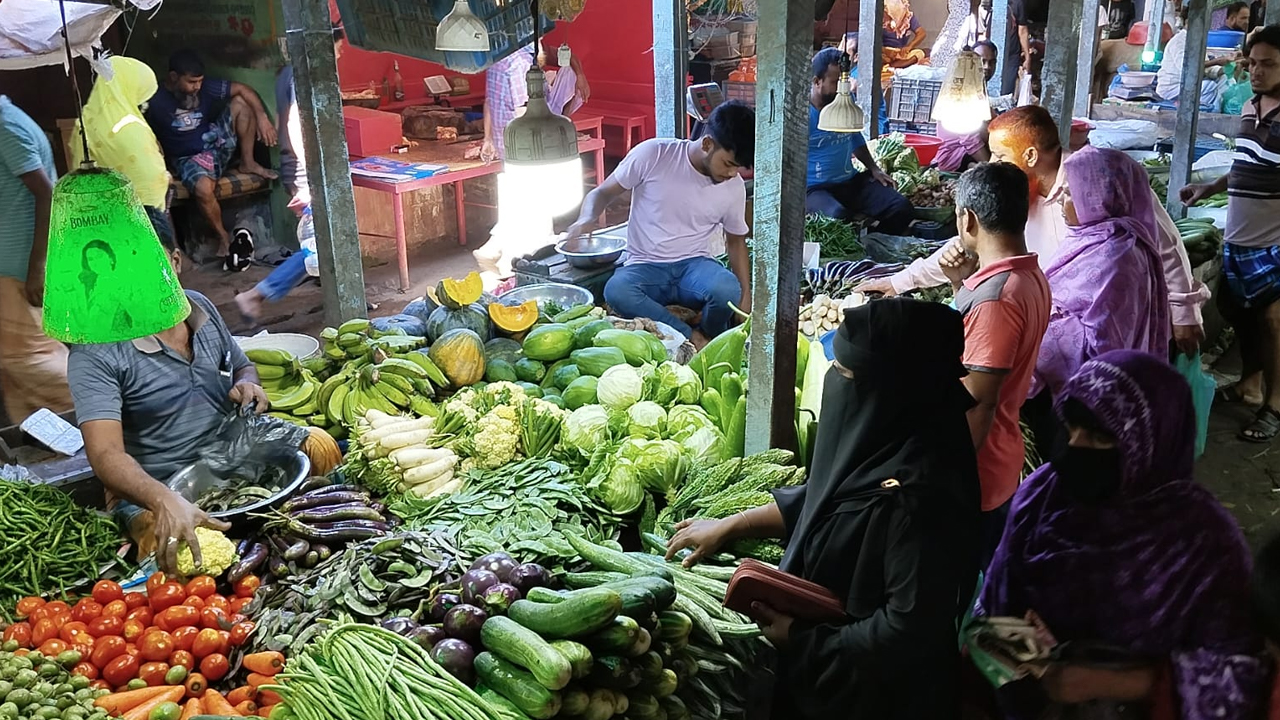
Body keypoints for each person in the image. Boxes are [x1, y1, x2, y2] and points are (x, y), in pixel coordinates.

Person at [665, 298, 981, 719]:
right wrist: (733, 524)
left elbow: (905, 631)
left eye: (846, 373)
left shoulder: (921, 497)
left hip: (874, 697)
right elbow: (827, 500)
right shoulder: (890, 445)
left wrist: (801, 638)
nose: (834, 380)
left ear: (892, 389)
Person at [978, 351, 1270, 719]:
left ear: (1150, 445)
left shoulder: (1204, 542)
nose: (1074, 446)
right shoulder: (1044, 492)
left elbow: (1242, 674)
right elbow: (999, 596)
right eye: (1070, 427)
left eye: (1100, 437)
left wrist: (1117, 682)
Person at [859, 106, 1209, 358]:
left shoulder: (1095, 181)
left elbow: (1162, 241)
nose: (991, 165)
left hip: (1112, 332)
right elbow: (970, 239)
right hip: (1053, 334)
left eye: (998, 156)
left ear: (1028, 154)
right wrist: (899, 281)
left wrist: (1183, 311)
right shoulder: (1016, 194)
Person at [67, 212, 269, 573]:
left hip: (229, 464)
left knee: (318, 447)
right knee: (185, 559)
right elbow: (104, 453)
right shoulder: (96, 351)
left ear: (175, 261)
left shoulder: (200, 307)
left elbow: (241, 364)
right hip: (153, 489)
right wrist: (161, 499)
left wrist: (248, 382)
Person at [560, 102, 753, 347]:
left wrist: (745, 294)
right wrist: (585, 220)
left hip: (694, 266)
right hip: (645, 266)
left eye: (737, 168)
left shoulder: (733, 187)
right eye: (728, 164)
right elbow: (602, 193)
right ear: (707, 144)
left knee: (726, 290)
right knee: (617, 291)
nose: (731, 174)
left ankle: (710, 336)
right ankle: (689, 335)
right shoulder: (653, 154)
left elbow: (736, 242)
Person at [1026, 147, 1170, 458]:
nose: (1063, 200)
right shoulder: (1094, 239)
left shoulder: (1115, 256)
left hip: (1086, 404)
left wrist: (1037, 328)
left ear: (1100, 196)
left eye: (1071, 192)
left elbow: (1102, 340)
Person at [940, 162, 1049, 563]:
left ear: (967, 220)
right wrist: (961, 284)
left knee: (968, 576)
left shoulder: (997, 299)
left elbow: (978, 402)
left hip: (979, 470)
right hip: (1001, 453)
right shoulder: (1028, 276)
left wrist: (948, 477)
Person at [1182, 25, 1280, 441]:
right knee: (1241, 312)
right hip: (1240, 234)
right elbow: (1246, 163)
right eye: (1252, 63)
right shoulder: (1249, 108)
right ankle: (1250, 383)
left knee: (1275, 322)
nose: (1256, 72)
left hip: (1274, 240)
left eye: (1269, 64)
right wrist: (1211, 187)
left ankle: (1275, 406)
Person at [235, 25, 346, 324]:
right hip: (305, 171)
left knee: (324, 244)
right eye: (337, 48)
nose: (339, 53)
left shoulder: (288, 71)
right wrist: (313, 176)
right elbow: (297, 123)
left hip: (296, 168)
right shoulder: (304, 75)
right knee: (318, 248)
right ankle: (255, 295)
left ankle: (341, 305)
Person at [144, 49, 278, 269]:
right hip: (187, 158)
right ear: (173, 77)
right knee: (204, 189)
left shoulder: (206, 88)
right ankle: (224, 238)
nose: (197, 87)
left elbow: (244, 90)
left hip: (215, 144)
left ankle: (248, 162)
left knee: (241, 104)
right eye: (191, 82)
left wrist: (262, 118)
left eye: (200, 81)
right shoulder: (155, 99)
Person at [0, 96, 72, 424]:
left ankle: (106, 427)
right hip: (14, 266)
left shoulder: (5, 125)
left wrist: (37, 266)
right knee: (15, 375)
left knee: (31, 360)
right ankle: (49, 448)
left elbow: (47, 193)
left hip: (17, 268)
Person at [807, 47, 913, 234]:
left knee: (901, 207)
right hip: (815, 189)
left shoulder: (844, 101)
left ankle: (876, 245)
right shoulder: (803, 115)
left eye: (844, 81)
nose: (842, 88)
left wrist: (874, 168)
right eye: (835, 82)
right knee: (838, 218)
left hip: (850, 182)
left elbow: (855, 138)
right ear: (817, 82)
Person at [70, 57, 170, 214]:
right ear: (129, 86)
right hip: (143, 214)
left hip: (99, 213)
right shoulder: (130, 125)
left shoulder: (84, 123)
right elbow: (149, 176)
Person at [480, 42, 589, 163]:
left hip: (505, 145)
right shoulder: (521, 63)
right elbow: (522, 111)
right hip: (523, 148)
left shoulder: (496, 59)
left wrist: (488, 139)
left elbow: (488, 101)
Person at [934, 41, 998, 173]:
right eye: (982, 61)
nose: (987, 67)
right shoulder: (959, 94)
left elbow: (994, 122)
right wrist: (990, 169)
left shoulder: (980, 89)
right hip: (953, 158)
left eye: (992, 62)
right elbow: (970, 140)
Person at [1157, 8, 1238, 101]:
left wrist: (1228, 69)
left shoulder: (1198, 40)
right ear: (1188, 21)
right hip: (1172, 88)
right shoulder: (1178, 41)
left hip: (1190, 84)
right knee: (1210, 86)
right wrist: (1217, 61)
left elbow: (1207, 69)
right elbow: (1187, 68)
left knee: (1223, 79)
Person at [883, 0, 928, 68]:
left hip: (900, 53)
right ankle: (895, 64)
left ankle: (902, 63)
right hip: (884, 53)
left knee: (925, 51)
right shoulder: (880, 18)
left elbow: (921, 33)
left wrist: (909, 46)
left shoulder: (907, 17)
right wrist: (885, 51)